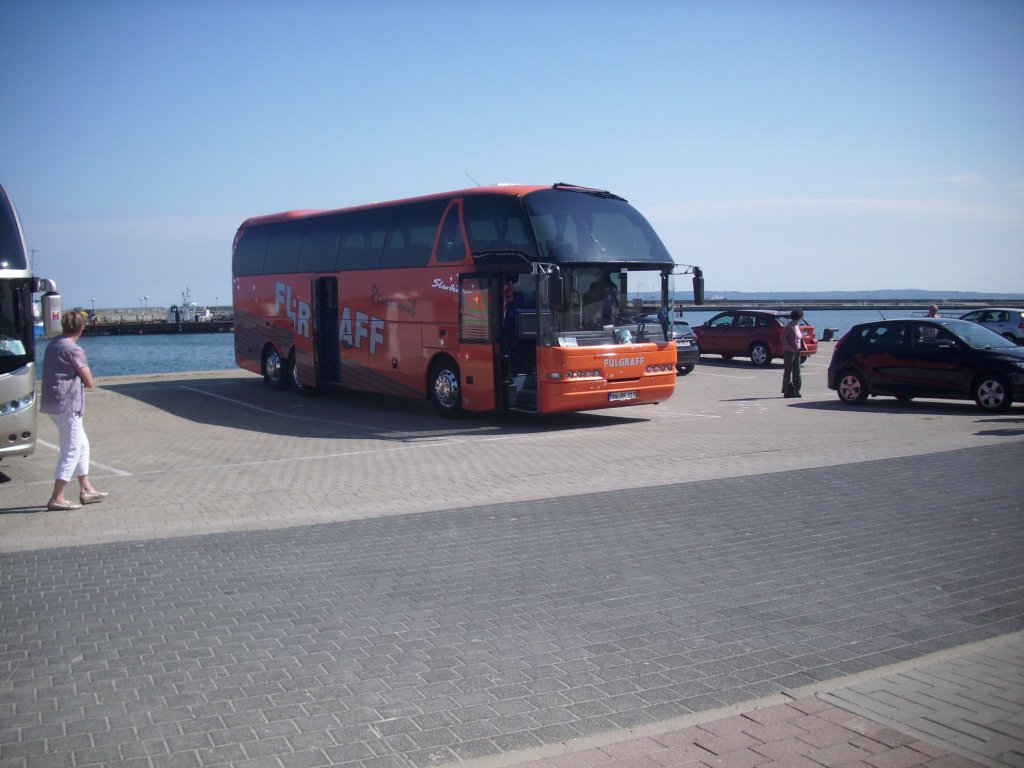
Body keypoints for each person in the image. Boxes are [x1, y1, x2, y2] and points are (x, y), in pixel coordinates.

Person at [39, 310, 108, 511]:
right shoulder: (73, 349)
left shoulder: (53, 345)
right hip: (68, 404)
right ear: (81, 328)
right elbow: (89, 381)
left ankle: (86, 489)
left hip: (53, 403)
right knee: (71, 450)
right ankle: (57, 497)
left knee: (82, 445)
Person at [781, 309, 805, 398]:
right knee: (788, 371)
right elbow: (783, 337)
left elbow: (800, 337)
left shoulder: (797, 326)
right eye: (801, 316)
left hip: (797, 351)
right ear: (799, 317)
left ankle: (796, 390)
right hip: (789, 352)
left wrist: (802, 345)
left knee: (797, 371)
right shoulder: (789, 326)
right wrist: (789, 347)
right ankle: (787, 391)